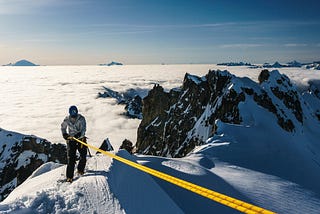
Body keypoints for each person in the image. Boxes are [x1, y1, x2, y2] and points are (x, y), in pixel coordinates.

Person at [61, 105, 87, 182]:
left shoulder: (81, 119)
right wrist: (65, 135)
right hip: (71, 140)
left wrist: (79, 135)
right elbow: (63, 127)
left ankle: (80, 170)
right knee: (71, 158)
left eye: (75, 112)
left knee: (83, 156)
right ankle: (69, 177)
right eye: (72, 112)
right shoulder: (67, 120)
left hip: (81, 140)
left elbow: (83, 129)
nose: (74, 114)